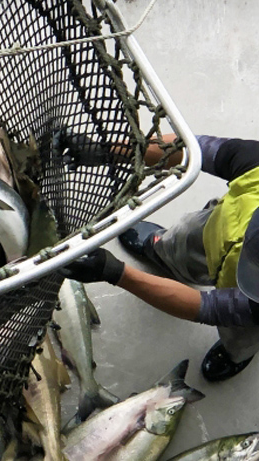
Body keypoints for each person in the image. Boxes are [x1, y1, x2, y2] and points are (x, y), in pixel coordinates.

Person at [59, 132, 259, 382]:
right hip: (218, 230)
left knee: (241, 331)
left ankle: (236, 355)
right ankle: (163, 254)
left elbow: (206, 307)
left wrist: (116, 272)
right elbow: (189, 149)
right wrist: (107, 148)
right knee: (182, 241)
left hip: (251, 307)